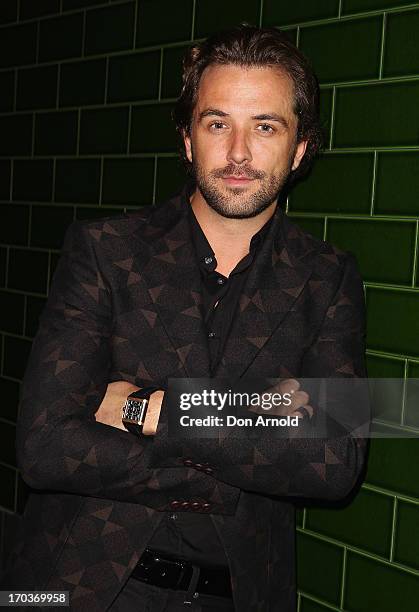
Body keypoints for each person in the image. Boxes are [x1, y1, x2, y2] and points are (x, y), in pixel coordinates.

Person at [2, 24, 368, 611]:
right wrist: (257, 423)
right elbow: (46, 446)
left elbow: (334, 461)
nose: (239, 152)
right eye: (217, 123)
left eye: (265, 127)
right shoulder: (106, 250)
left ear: (301, 149)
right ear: (187, 139)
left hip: (240, 593)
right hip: (74, 585)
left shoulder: (328, 278)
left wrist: (159, 410)